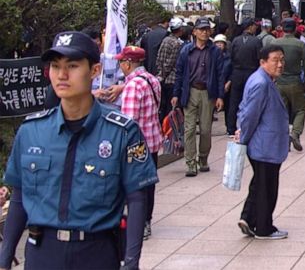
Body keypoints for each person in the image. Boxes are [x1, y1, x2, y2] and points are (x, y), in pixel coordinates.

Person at [0, 32, 158, 270]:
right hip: (42, 252)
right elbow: (19, 198)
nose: (62, 75)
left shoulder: (122, 132)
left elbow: (137, 199)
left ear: (94, 71)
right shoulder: (32, 130)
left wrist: (132, 262)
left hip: (96, 252)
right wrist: (4, 259)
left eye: (72, 66)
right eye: (55, 66)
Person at [235, 45, 290, 240]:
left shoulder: (264, 79)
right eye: (275, 60)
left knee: (259, 183)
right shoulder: (261, 83)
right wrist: (243, 137)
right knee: (267, 186)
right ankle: (264, 227)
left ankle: (248, 218)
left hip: (265, 143)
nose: (280, 64)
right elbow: (250, 114)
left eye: (282, 59)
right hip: (264, 144)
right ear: (262, 62)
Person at [116, 46, 164, 240]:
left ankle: (139, 223)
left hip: (136, 145)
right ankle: (146, 221)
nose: (120, 65)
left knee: (136, 186)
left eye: (121, 62)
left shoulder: (133, 86)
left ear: (128, 63)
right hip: (152, 141)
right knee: (148, 184)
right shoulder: (152, 80)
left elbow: (128, 120)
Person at [172, 17, 225, 177]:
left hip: (208, 93)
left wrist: (220, 96)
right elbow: (179, 73)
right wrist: (176, 94)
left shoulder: (215, 51)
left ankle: (203, 158)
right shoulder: (186, 50)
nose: (204, 32)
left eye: (207, 29)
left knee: (205, 129)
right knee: (189, 129)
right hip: (190, 91)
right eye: (201, 29)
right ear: (194, 31)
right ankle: (190, 162)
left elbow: (220, 74)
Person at [271, 19, 305, 152]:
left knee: (282, 111)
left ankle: (283, 139)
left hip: (279, 81)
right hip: (295, 81)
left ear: (282, 29)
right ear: (295, 29)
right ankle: (295, 133)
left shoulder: (275, 43)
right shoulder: (300, 44)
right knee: (300, 109)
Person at [227, 18, 261, 137]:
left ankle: (231, 128)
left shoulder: (235, 41)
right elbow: (259, 59)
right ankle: (248, 126)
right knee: (250, 100)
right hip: (251, 73)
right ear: (250, 27)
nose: (256, 28)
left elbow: (230, 58)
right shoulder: (256, 41)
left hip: (237, 73)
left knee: (234, 100)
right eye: (254, 26)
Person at [154, 17, 185, 122]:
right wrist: (164, 74)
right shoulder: (177, 43)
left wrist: (160, 74)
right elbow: (170, 63)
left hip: (162, 78)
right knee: (171, 107)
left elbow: (159, 59)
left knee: (165, 106)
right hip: (171, 79)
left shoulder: (165, 40)